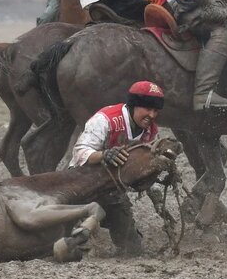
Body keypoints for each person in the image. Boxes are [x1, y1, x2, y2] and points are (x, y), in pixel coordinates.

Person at [69, 80, 164, 256]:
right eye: (147, 108)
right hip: (80, 184)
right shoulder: (106, 119)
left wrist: (159, 201)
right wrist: (104, 155)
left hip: (112, 191)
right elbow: (79, 152)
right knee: (72, 245)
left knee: (132, 249)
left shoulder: (151, 133)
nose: (151, 115)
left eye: (156, 110)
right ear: (134, 104)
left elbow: (148, 168)